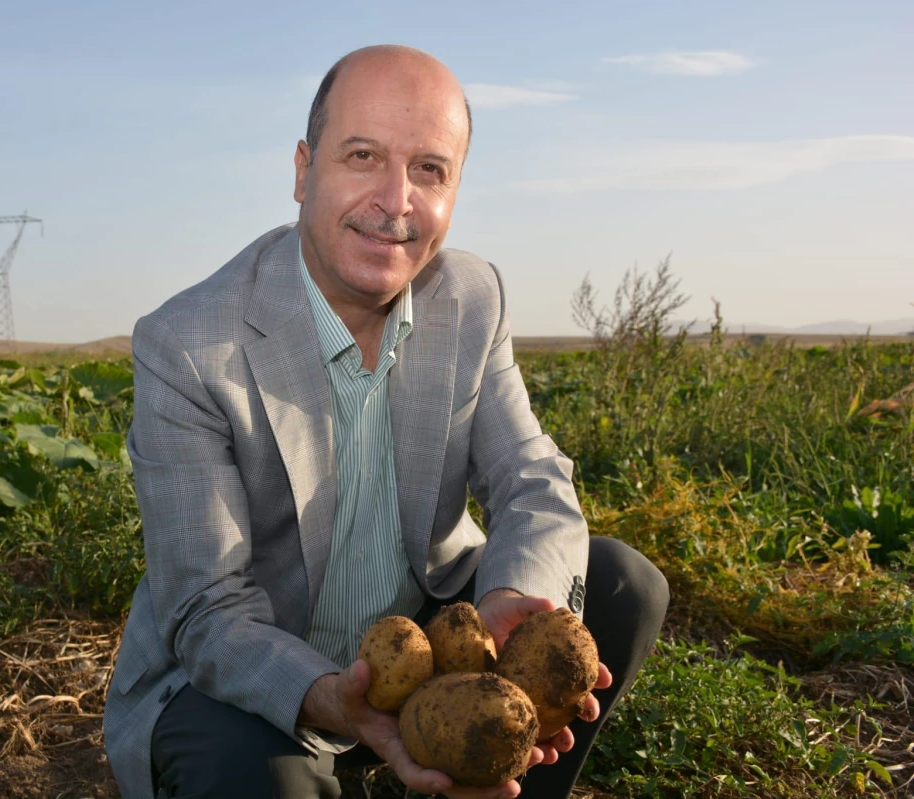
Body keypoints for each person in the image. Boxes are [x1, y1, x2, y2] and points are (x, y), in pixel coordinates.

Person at [103, 44, 669, 799]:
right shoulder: (190, 344)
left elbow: (531, 479)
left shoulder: (472, 296)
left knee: (623, 583)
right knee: (249, 776)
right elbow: (209, 609)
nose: (396, 199)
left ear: (455, 188)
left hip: (428, 643)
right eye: (363, 155)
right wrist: (335, 694)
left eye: (429, 169)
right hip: (257, 667)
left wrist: (507, 606)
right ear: (304, 170)